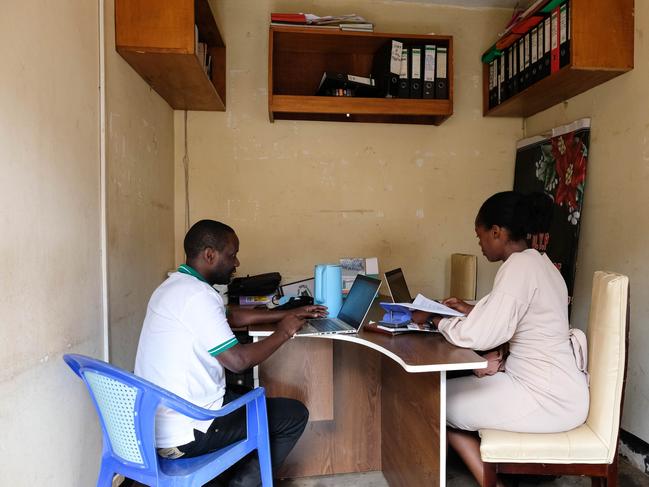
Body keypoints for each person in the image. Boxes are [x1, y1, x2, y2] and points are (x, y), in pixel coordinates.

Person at [134, 219, 327, 486]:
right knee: (293, 415)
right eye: (232, 255)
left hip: (157, 424)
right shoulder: (197, 296)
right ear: (210, 255)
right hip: (189, 430)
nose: (236, 263)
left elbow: (232, 315)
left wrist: (288, 312)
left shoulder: (174, 287)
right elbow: (238, 361)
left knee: (252, 398)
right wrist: (284, 331)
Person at [418, 191, 589, 487]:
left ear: (496, 232)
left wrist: (435, 319)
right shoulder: (541, 263)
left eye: (480, 236)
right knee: (445, 393)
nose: (480, 244)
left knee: (434, 401)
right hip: (556, 387)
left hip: (544, 397)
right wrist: (471, 310)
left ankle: (493, 483)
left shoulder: (518, 267)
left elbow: (481, 334)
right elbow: (519, 315)